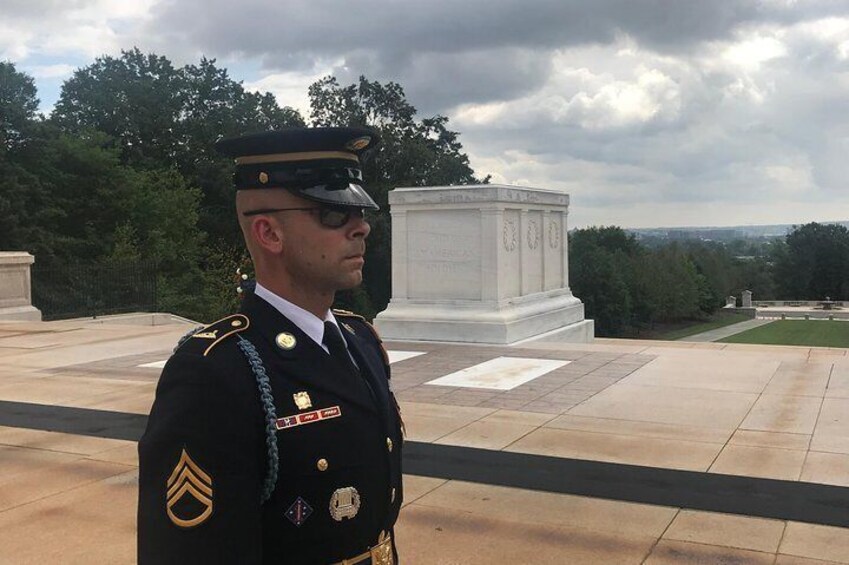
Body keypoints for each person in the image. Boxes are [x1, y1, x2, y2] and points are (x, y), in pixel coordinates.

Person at [138, 127, 403, 564]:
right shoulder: (215, 372)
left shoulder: (361, 340)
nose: (361, 227)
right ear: (269, 233)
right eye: (333, 214)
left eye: (359, 212)